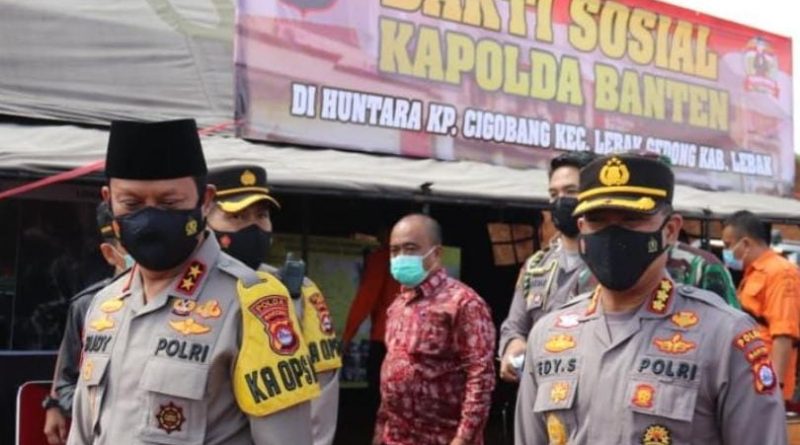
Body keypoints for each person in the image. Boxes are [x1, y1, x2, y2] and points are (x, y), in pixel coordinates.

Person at [67, 119, 319, 445]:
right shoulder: (105, 306)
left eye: (169, 203)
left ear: (205, 200)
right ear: (108, 200)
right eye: (131, 204)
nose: (150, 219)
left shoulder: (253, 304)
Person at [515, 154, 786, 444]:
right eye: (598, 220)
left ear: (670, 230)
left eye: (632, 219)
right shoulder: (548, 335)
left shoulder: (724, 336)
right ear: (582, 228)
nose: (613, 234)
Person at [207, 165, 342, 445]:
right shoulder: (181, 289)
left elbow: (321, 391)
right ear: (204, 218)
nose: (253, 227)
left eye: (261, 216)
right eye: (236, 216)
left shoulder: (300, 292)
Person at [375, 214, 495, 445]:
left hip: (443, 437)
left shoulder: (463, 303)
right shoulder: (398, 305)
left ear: (437, 253)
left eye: (410, 249)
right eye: (394, 251)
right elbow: (392, 371)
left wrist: (463, 438)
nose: (400, 257)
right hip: (396, 437)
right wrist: (380, 431)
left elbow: (480, 376)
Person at [499, 151, 596, 383]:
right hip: (542, 388)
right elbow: (514, 327)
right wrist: (513, 346)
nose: (561, 201)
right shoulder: (536, 266)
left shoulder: (612, 261)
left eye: (571, 191)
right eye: (554, 194)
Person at [43, 202, 132, 444]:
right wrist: (102, 410)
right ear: (110, 253)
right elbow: (65, 381)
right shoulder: (88, 306)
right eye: (128, 246)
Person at [722, 210, 800, 402]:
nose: (726, 252)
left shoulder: (781, 273)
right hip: (746, 375)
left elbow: (783, 334)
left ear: (746, 243)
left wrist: (774, 389)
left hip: (763, 383)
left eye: (728, 245)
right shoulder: (753, 273)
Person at [342, 225, 401, 428]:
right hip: (409, 341)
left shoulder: (382, 258)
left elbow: (366, 298)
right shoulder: (419, 261)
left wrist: (346, 338)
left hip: (384, 340)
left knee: (379, 397)